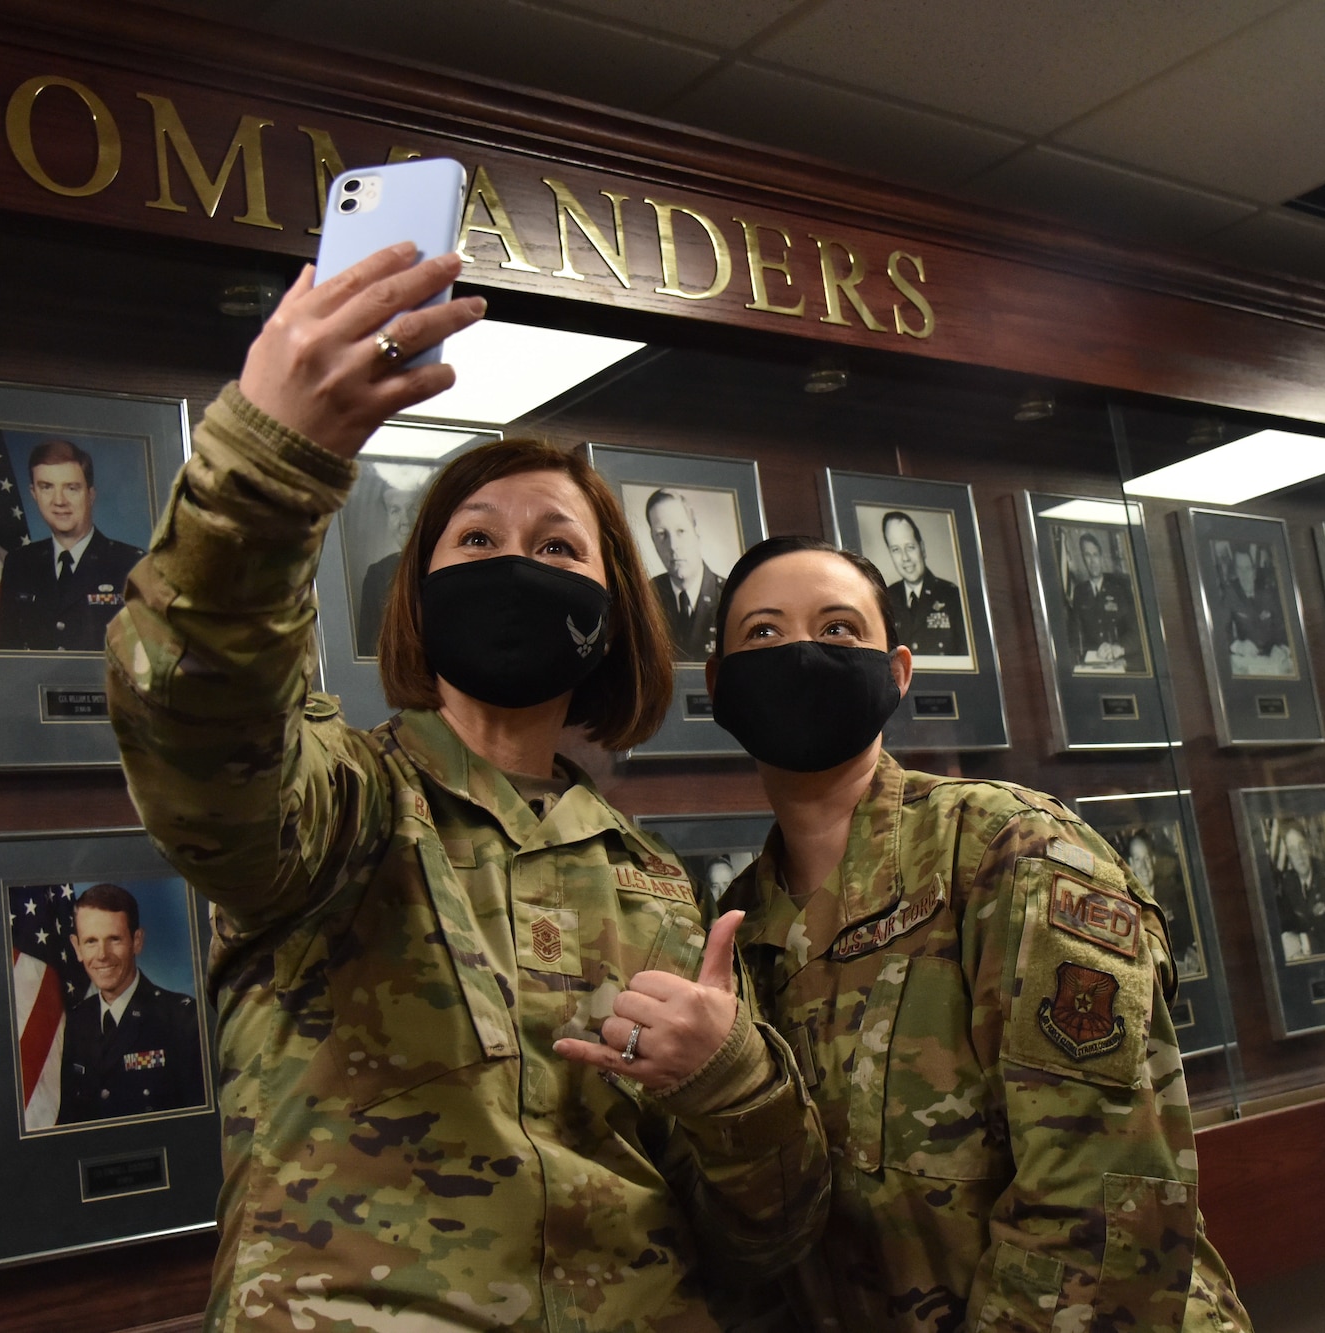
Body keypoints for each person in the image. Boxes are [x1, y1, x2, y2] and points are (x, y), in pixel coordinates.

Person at [105, 243, 827, 1330]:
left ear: (609, 614)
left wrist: (727, 1081)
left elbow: (767, 1234)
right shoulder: (336, 806)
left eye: (557, 546)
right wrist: (268, 463)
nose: (515, 563)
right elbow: (196, 712)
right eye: (476, 539)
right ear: (417, 597)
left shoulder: (657, 889)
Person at [702, 533, 1251, 1332]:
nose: (802, 655)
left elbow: (1105, 1201)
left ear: (896, 673)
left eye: (837, 630)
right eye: (763, 633)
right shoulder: (739, 934)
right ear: (718, 687)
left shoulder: (1012, 851)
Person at [57, 883, 206, 1124]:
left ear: (137, 941)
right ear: (77, 947)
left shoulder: (180, 1017)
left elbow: (198, 1123)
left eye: (114, 939)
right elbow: (69, 1121)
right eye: (91, 941)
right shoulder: (78, 1019)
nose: (102, 955)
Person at [0, 438, 144, 651]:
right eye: (47, 487)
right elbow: (7, 653)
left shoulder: (132, 564)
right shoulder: (19, 564)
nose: (59, 501)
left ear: (90, 494)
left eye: (71, 488)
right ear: (34, 493)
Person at [353, 462, 431, 656]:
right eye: (395, 510)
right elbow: (368, 650)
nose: (405, 520)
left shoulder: (450, 567)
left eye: (412, 508)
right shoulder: (377, 574)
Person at [647, 488, 724, 661]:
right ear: (653, 540)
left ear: (696, 532)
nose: (673, 546)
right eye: (661, 534)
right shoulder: (645, 597)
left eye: (681, 531)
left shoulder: (730, 595)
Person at [878, 510, 966, 658]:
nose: (905, 558)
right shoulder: (886, 599)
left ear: (922, 548)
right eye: (896, 550)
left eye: (910, 547)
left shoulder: (952, 596)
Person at [1125, 827, 1201, 977]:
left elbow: (1192, 935)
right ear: (1131, 864)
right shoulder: (1126, 903)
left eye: (1146, 858)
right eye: (1138, 860)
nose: (1144, 867)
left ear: (1153, 860)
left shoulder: (1174, 895)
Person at [1067, 531, 1142, 671]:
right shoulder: (1080, 591)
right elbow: (1075, 635)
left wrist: (1119, 647)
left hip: (1119, 661)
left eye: (1095, 555)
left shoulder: (1119, 589)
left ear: (1101, 557)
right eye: (1087, 555)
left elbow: (1137, 632)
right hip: (1092, 663)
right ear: (1083, 558)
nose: (1092, 561)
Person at [1271, 821, 1325, 959]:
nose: (1299, 855)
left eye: (1302, 847)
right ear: (1288, 856)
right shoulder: (1288, 883)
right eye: (1292, 850)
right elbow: (1286, 922)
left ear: (1309, 848)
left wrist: (1302, 942)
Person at [1221, 544, 1289, 677]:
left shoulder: (1268, 591)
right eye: (1240, 569)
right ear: (1235, 572)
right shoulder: (1231, 594)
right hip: (1248, 660)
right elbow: (1220, 629)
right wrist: (1238, 645)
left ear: (1254, 571)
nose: (1244, 574)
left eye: (1247, 569)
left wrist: (1283, 648)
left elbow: (1285, 625)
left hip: (1274, 657)